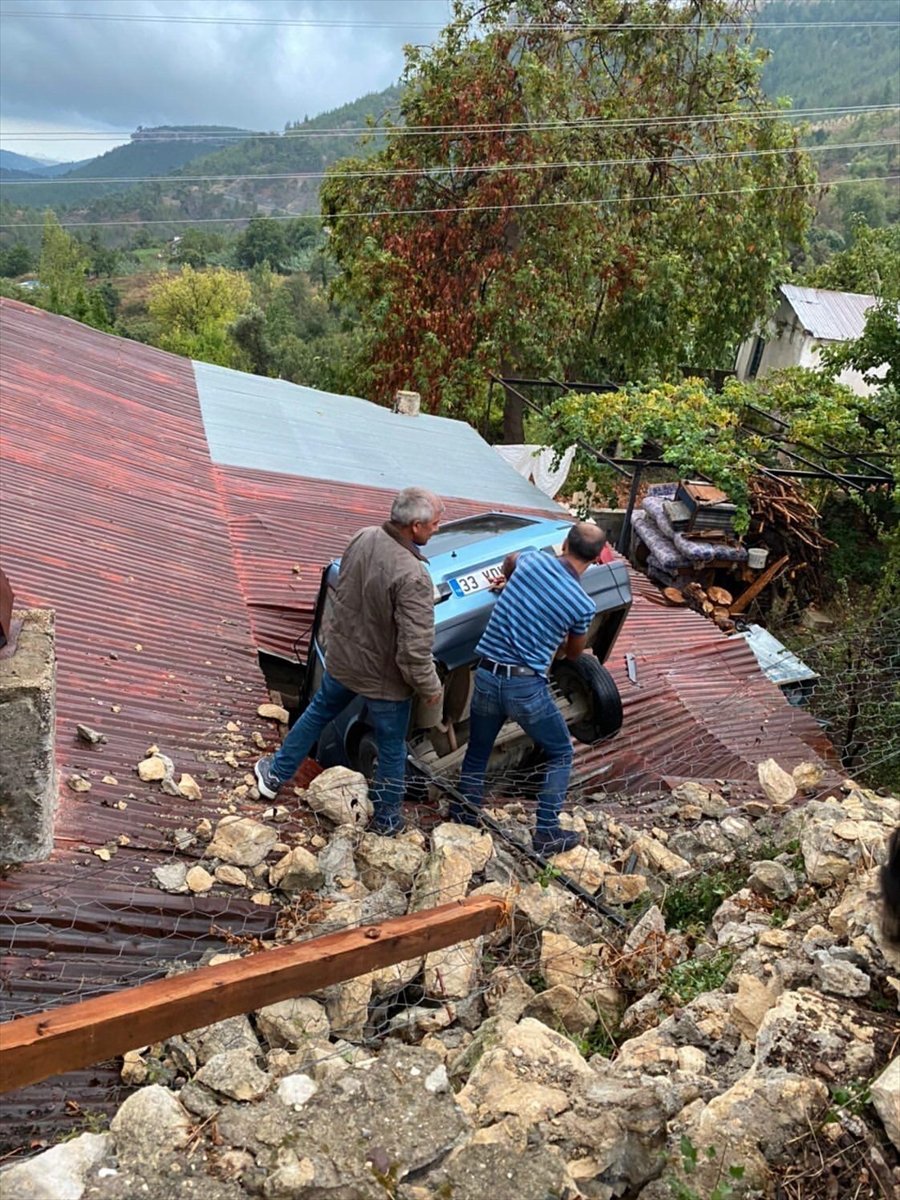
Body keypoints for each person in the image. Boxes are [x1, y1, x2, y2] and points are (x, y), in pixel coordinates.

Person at [254, 487, 444, 835]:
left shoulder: (363, 536)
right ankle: (387, 820)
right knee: (391, 749)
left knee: (316, 714)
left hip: (343, 661)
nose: (437, 529)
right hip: (385, 681)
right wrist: (430, 688)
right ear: (415, 526)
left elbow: (347, 594)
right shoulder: (414, 575)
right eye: (434, 524)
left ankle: (275, 774)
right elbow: (414, 650)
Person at [451, 522, 607, 854]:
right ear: (595, 559)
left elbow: (510, 560)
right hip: (525, 688)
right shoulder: (582, 605)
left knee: (478, 751)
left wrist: (510, 582)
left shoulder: (533, 561)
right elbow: (574, 653)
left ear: (564, 544)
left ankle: (463, 816)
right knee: (561, 752)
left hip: (487, 675)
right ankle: (546, 832)